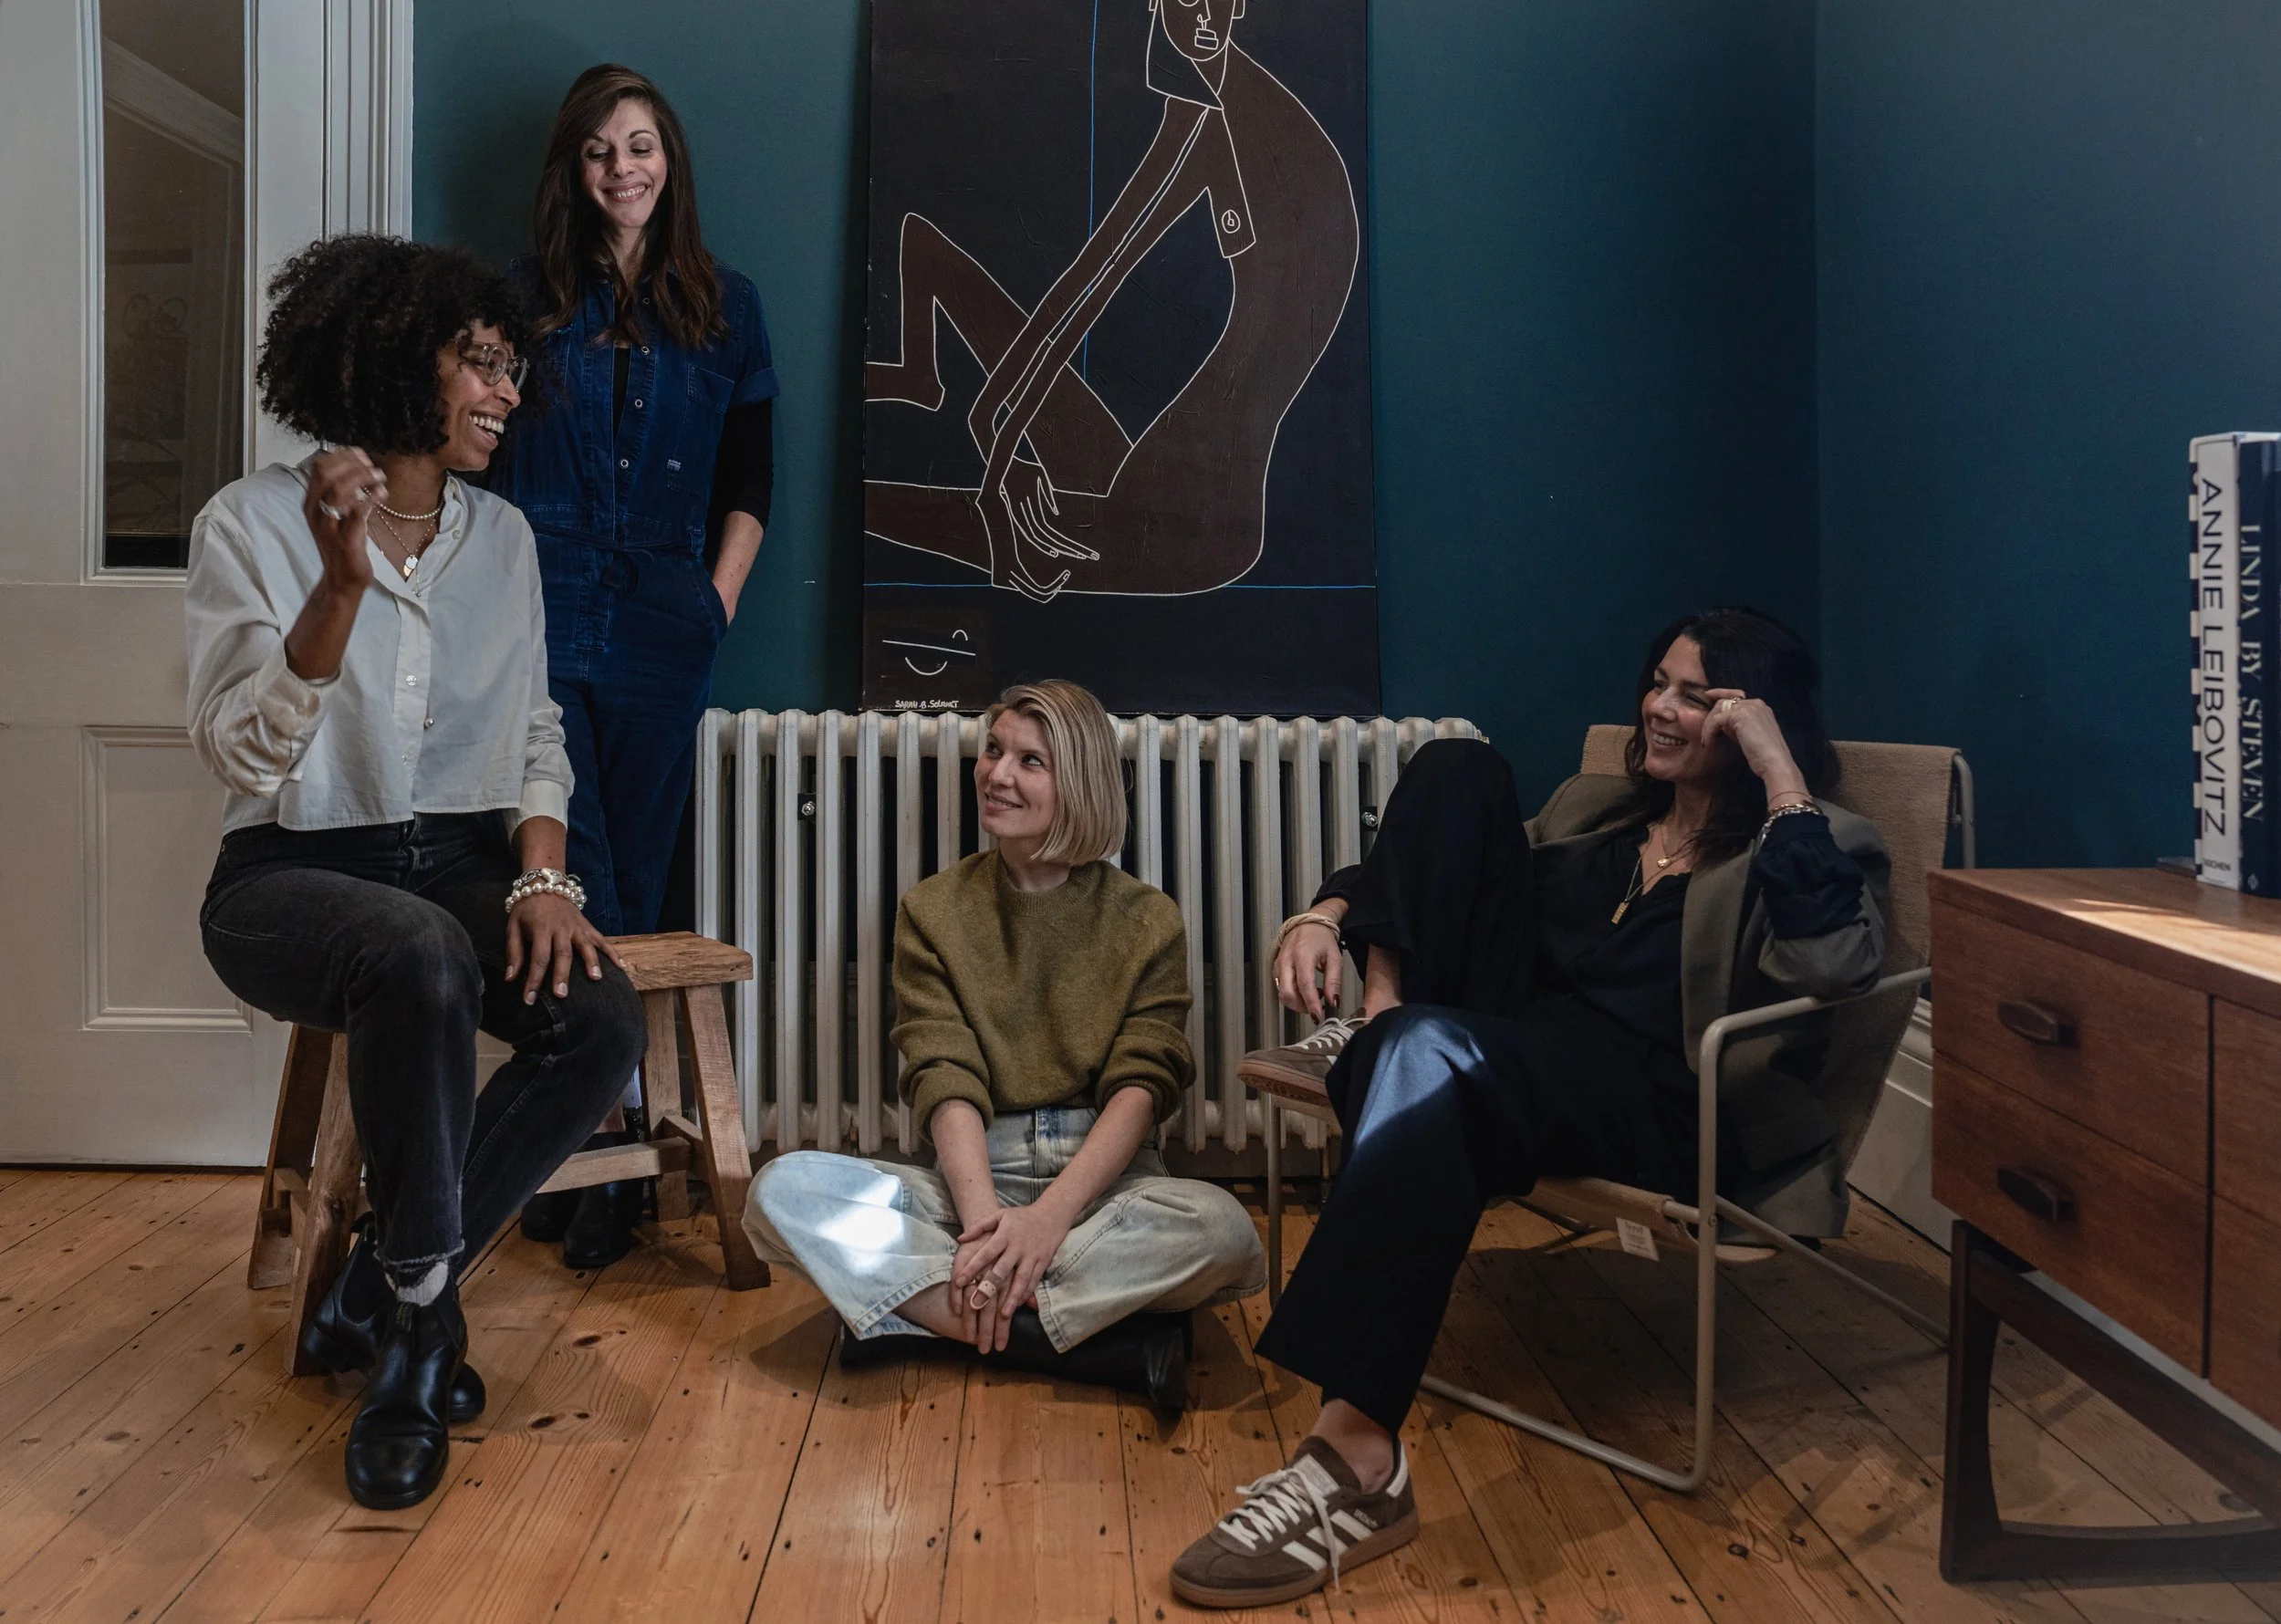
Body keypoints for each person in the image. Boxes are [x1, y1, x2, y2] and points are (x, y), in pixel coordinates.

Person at [1167, 608, 1892, 1607]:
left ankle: (1353, 1462)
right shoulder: (1596, 812)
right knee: (1458, 769)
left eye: (1697, 695)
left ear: (1755, 718)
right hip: (1513, 1047)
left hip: (1653, 1098)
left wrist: (1778, 779)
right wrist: (1327, 910)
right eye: (1658, 681)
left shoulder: (1804, 838)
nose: (1660, 706)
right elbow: (1434, 861)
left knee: (1424, 1057)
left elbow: (1837, 962)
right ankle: (1386, 1030)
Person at [188, 235, 648, 1511]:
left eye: (511, 369)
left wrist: (544, 877)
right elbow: (237, 748)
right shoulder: (251, 523)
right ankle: (416, 1340)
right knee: (417, 953)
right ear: (401, 362)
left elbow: (534, 734)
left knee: (600, 1021)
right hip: (287, 867)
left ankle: (382, 1282)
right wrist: (336, 588)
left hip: (454, 856)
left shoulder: (501, 542)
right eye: (482, 366)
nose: (507, 394)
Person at [743, 680, 1265, 1411]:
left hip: (1103, 1190)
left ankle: (920, 1315)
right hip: (972, 1180)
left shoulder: (1147, 919)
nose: (996, 774)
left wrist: (1049, 1221)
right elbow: (943, 1074)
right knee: (781, 1191)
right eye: (993, 751)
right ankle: (1089, 1343)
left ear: (1077, 783)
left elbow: (1141, 1087)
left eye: (1030, 761)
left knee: (1224, 1231)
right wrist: (987, 1228)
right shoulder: (933, 911)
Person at [484, 64, 780, 1269]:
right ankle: (584, 1134)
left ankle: (602, 1152)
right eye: (602, 150)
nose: (624, 168)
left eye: (643, 145)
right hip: (541, 612)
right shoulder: (515, 301)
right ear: (574, 168)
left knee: (643, 881)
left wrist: (711, 603)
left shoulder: (727, 305)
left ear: (672, 160)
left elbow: (751, 480)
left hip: (665, 615)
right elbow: (480, 462)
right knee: (573, 866)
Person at [863, 0, 1359, 600]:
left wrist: (994, 446)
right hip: (1174, 480)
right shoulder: (1226, 106)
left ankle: (912, 408)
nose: (1206, 17)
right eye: (1186, 0)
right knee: (997, 502)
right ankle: (922, 372)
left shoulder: (1217, 114)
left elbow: (1093, 284)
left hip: (1199, 531)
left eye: (1220, 1)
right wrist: (991, 430)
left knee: (927, 517)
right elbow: (1091, 279)